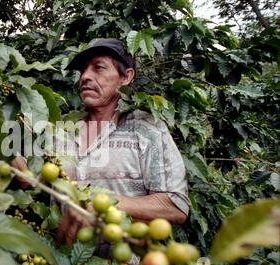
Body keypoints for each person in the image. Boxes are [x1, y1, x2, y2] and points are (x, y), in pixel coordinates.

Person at [13, 38, 190, 248]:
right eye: (83, 71)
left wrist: (103, 205)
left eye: (98, 68)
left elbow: (175, 206)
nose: (85, 77)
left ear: (126, 77)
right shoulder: (62, 130)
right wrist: (18, 165)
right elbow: (35, 179)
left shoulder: (147, 130)